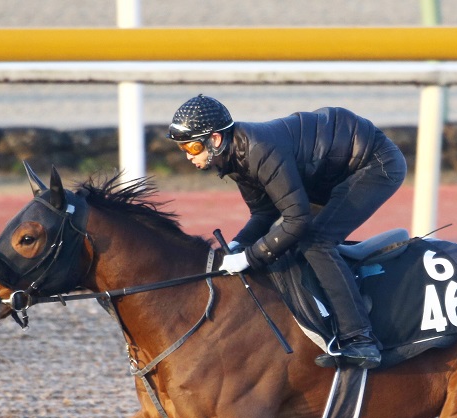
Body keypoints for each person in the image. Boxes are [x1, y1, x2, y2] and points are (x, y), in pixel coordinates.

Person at [167, 94, 407, 370]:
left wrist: (248, 258)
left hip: (375, 163)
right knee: (292, 243)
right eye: (182, 147)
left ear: (216, 140)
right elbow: (264, 213)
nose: (187, 155)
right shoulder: (233, 159)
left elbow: (296, 221)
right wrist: (237, 244)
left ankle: (360, 339)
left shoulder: (258, 151)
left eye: (193, 146)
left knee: (316, 241)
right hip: (331, 169)